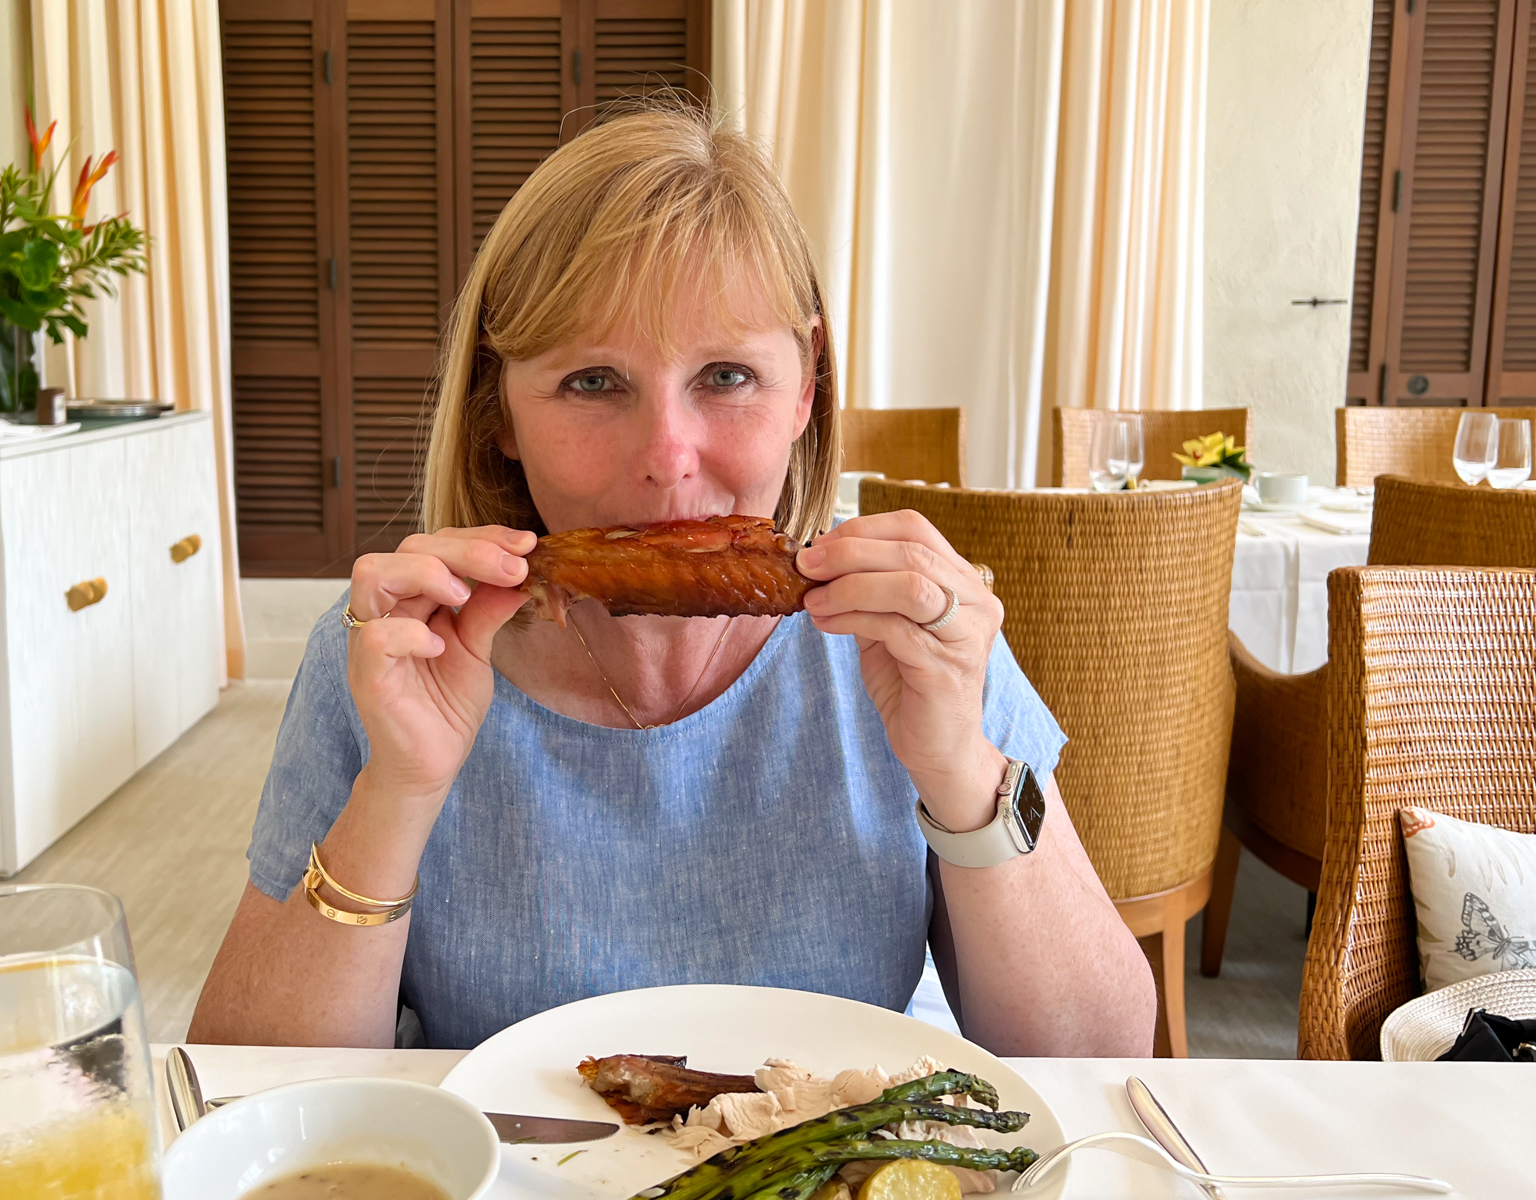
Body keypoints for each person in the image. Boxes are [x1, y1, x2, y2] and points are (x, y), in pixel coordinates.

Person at [190, 104, 1154, 1054]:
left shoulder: (912, 639)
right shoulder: (396, 651)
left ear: (807, 388)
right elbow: (249, 1079)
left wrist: (963, 772)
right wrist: (398, 791)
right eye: (592, 382)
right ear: (498, 412)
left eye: (727, 376)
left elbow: (1105, 1054)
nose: (667, 457)